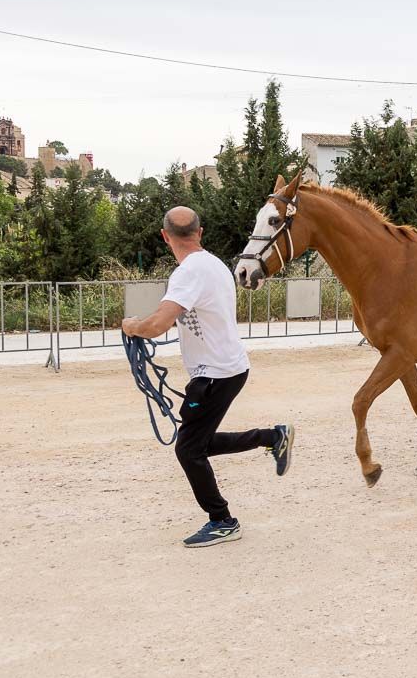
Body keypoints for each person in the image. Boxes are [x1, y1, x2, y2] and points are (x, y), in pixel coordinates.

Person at [121, 207, 295, 547]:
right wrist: (150, 321)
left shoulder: (188, 273)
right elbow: (173, 315)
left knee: (188, 449)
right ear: (200, 232)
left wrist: (132, 326)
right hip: (226, 368)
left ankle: (222, 520)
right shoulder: (213, 264)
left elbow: (157, 325)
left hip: (215, 373)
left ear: (165, 236)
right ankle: (272, 437)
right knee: (197, 442)